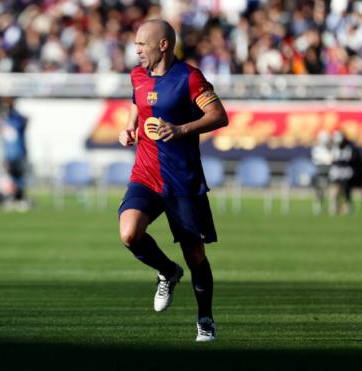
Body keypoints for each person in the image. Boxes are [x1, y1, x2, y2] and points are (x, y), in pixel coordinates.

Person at [117, 19, 228, 342]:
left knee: (196, 257)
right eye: (135, 43)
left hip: (182, 181)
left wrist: (180, 130)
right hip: (146, 174)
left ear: (162, 45)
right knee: (129, 234)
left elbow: (219, 115)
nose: (136, 50)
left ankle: (205, 319)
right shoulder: (137, 76)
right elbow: (136, 104)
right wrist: (129, 128)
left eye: (142, 43)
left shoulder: (189, 79)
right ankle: (167, 271)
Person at [0, 96, 30, 211]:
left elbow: (24, 122)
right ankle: (10, 198)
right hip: (8, 153)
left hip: (18, 153)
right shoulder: (4, 120)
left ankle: (19, 199)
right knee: (9, 178)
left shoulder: (16, 119)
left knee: (19, 177)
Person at [328, 130, 362, 214]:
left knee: (346, 187)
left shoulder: (351, 148)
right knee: (334, 187)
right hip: (337, 171)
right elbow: (332, 160)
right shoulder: (334, 147)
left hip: (347, 171)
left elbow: (354, 161)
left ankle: (348, 204)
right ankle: (334, 204)